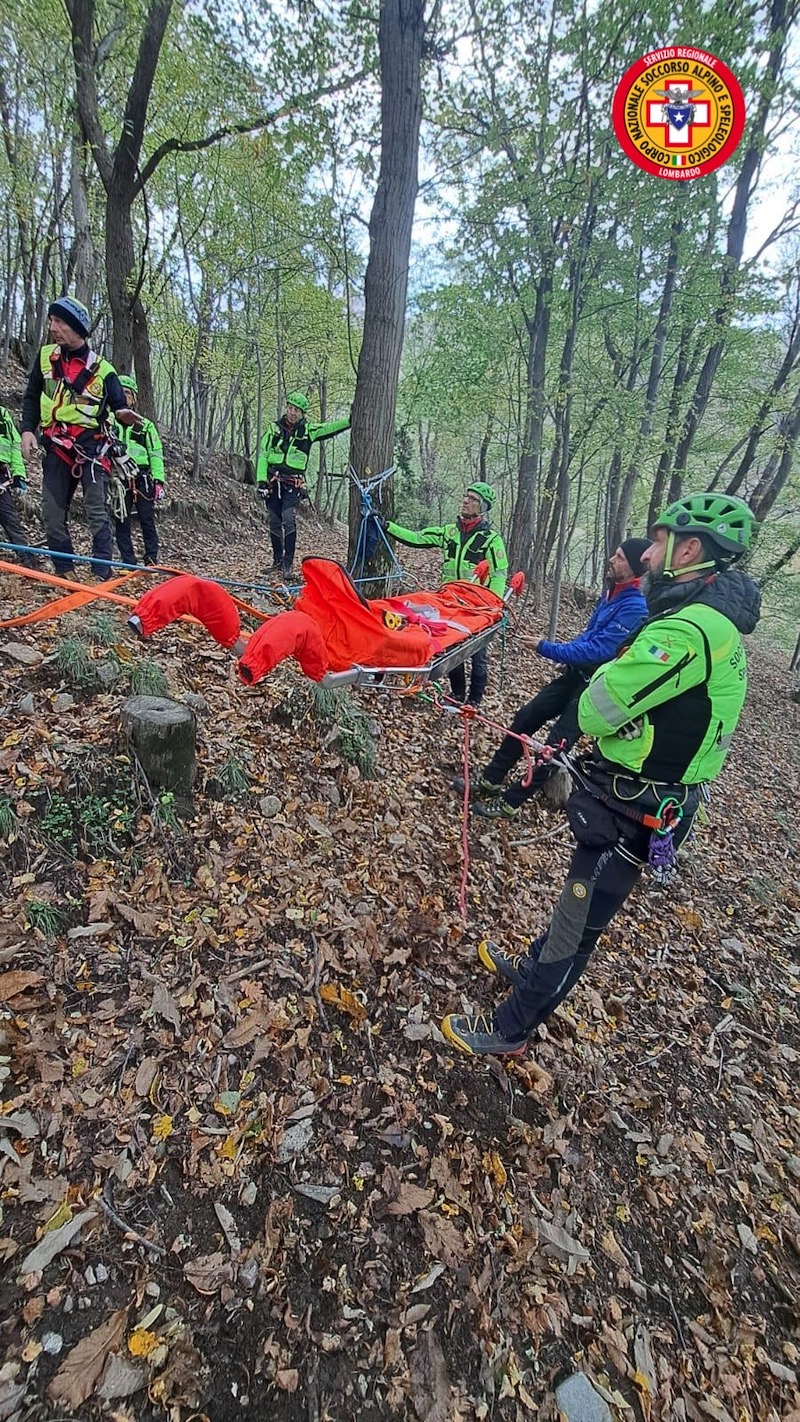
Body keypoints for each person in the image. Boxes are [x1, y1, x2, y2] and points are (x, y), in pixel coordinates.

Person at [440, 492, 761, 1057]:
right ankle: (531, 969)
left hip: (637, 811)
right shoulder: (712, 624)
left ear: (690, 550)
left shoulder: (686, 632)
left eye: (659, 543)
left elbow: (597, 706)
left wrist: (604, 678)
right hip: (642, 797)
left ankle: (513, 1027)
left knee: (577, 921)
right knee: (575, 907)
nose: (647, 556)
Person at [466, 538, 650, 819]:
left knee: (554, 747)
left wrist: (547, 647)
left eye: (620, 557)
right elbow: (590, 637)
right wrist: (563, 656)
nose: (612, 560)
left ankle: (510, 803)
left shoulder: (635, 608)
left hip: (594, 688)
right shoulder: (612, 594)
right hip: (574, 676)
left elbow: (599, 650)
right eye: (614, 554)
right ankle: (491, 779)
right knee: (527, 716)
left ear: (636, 568)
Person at [20, 296, 140, 581]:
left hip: (93, 450)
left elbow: (118, 405)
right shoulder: (45, 357)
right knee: (51, 512)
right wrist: (27, 429)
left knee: (97, 512)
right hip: (56, 445)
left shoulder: (105, 371)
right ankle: (65, 571)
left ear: (77, 327)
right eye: (51, 321)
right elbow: (31, 396)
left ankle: (101, 575)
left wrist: (123, 414)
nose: (53, 327)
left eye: (59, 322)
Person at [386, 483, 509, 706]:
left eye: (472, 499)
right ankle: (458, 693)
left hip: (477, 607)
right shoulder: (449, 532)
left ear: (481, 507)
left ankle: (474, 700)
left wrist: (494, 606)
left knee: (477, 653)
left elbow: (499, 575)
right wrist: (387, 526)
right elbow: (417, 538)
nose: (465, 500)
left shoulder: (492, 540)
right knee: (452, 647)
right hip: (450, 602)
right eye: (465, 496)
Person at [256, 391, 350, 579]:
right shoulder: (273, 428)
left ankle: (288, 565)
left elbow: (330, 428)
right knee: (274, 521)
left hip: (293, 483)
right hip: (273, 480)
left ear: (302, 413)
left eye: (297, 410)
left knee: (288, 519)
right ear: (287, 408)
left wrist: (349, 420)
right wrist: (261, 481)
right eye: (290, 408)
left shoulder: (308, 431)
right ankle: (277, 561)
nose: (292, 413)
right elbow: (264, 455)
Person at [112, 375, 165, 566]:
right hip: (118, 477)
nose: (124, 396)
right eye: (121, 392)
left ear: (134, 398)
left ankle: (151, 558)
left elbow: (156, 453)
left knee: (147, 520)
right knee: (121, 519)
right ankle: (128, 560)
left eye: (128, 393)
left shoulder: (145, 426)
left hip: (142, 478)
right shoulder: (110, 422)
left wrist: (158, 481)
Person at [0, 405, 37, 568]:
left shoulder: (3, 414)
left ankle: (28, 562)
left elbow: (15, 445)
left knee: (10, 519)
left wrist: (18, 474)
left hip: (1, 473)